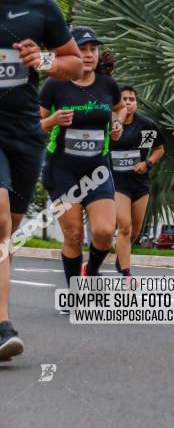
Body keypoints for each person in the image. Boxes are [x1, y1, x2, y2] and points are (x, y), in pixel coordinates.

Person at [0, 0, 83, 360]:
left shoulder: (37, 6)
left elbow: (74, 64)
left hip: (24, 135)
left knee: (7, 235)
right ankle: (2, 328)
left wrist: (43, 58)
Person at [40, 27, 124, 289]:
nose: (88, 55)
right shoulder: (55, 84)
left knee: (104, 232)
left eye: (93, 49)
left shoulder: (108, 84)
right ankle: (75, 292)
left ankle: (92, 270)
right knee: (74, 234)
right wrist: (53, 120)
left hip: (98, 169)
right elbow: (34, 124)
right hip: (62, 170)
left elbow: (119, 109)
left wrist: (117, 123)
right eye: (82, 49)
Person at [111, 85, 165, 276]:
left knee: (135, 230)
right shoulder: (111, 125)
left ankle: (121, 254)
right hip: (117, 182)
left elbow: (158, 149)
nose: (128, 102)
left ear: (136, 103)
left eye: (131, 99)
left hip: (140, 182)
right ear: (117, 103)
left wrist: (147, 163)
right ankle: (126, 273)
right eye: (123, 99)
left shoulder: (145, 125)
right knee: (124, 226)